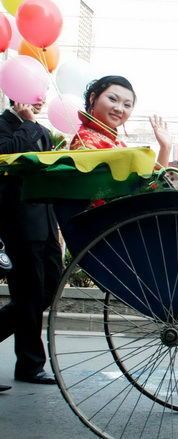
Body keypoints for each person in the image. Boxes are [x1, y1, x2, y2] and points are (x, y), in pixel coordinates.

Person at [0, 99, 63, 385]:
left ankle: (29, 364)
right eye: (33, 91)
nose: (39, 99)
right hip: (18, 224)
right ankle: (30, 365)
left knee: (49, 289)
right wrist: (27, 123)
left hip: (46, 224)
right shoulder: (4, 126)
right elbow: (7, 153)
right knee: (28, 296)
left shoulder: (42, 130)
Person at [69, 75, 170, 167]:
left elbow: (151, 181)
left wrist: (165, 147)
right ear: (93, 98)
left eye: (127, 105)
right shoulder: (84, 140)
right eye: (112, 99)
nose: (119, 109)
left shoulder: (118, 143)